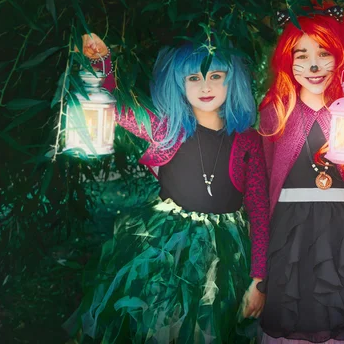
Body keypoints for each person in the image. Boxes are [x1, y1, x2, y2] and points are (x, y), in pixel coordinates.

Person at [65, 34, 269, 343]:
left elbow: (259, 209)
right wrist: (101, 63)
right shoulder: (167, 128)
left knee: (211, 326)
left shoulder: (247, 140)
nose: (205, 87)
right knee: (162, 321)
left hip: (227, 253)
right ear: (179, 83)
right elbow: (118, 107)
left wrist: (259, 280)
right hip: (167, 247)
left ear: (232, 82)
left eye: (215, 76)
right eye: (193, 78)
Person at [258, 0, 344, 343]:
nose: (314, 65)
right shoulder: (275, 109)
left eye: (324, 53)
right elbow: (260, 183)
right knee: (293, 311)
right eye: (301, 55)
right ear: (286, 61)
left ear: (341, 55)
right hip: (289, 227)